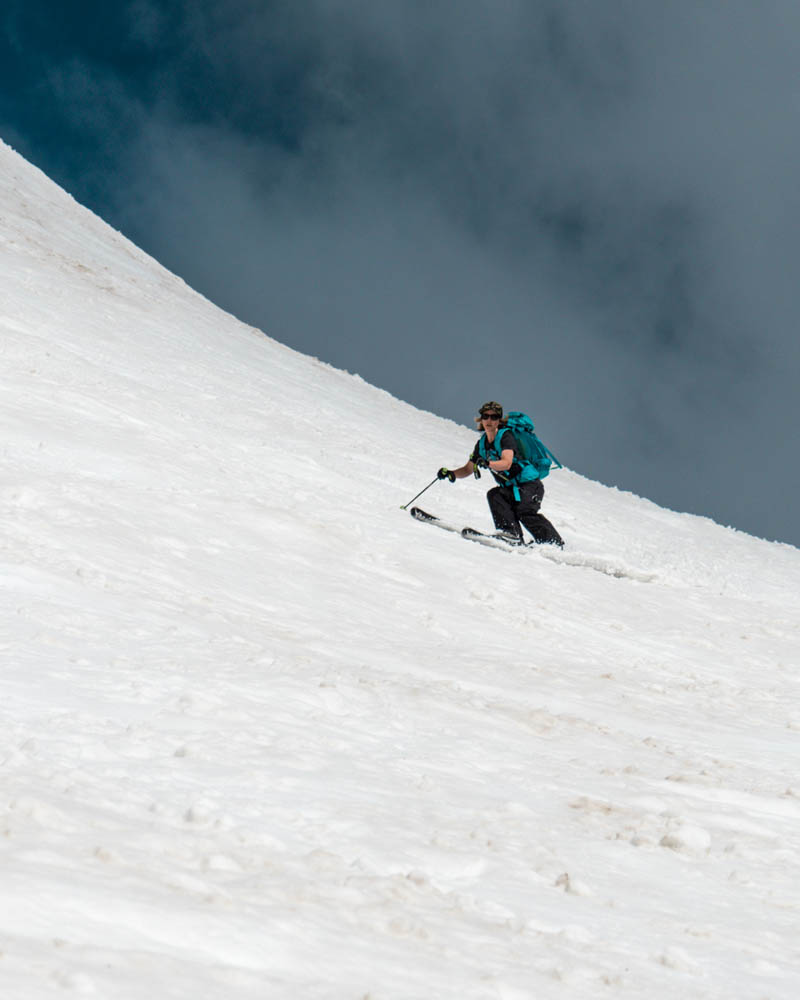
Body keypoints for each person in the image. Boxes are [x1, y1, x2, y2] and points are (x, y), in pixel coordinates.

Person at [437, 401, 564, 546]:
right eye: (486, 416)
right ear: (481, 419)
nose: (489, 420)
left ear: (499, 420)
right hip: (511, 487)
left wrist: (489, 463)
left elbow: (507, 462)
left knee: (525, 511)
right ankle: (510, 535)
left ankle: (553, 543)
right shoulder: (482, 444)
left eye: (494, 417)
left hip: (529, 485)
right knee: (495, 495)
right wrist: (451, 474)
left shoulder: (506, 436)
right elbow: (468, 469)